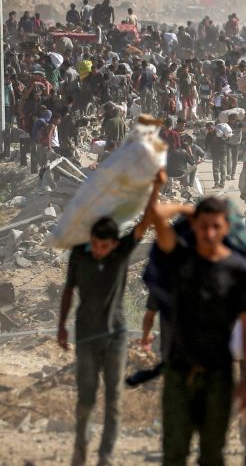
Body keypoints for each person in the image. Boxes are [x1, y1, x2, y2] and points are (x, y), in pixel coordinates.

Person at [60, 171, 163, 466]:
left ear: (114, 245)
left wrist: (155, 187)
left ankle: (105, 455)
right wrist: (61, 327)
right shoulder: (80, 255)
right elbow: (68, 290)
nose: (99, 250)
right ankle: (80, 449)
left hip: (116, 335)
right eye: (95, 244)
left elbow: (145, 222)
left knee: (113, 398)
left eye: (104, 247)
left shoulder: (121, 253)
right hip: (86, 334)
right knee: (86, 397)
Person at [148, 197, 246, 466]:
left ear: (226, 228)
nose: (209, 233)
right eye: (203, 226)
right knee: (174, 454)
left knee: (212, 454)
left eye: (215, 226)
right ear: (194, 225)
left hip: (218, 374)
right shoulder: (179, 258)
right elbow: (156, 214)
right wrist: (185, 209)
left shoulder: (237, 270)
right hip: (179, 371)